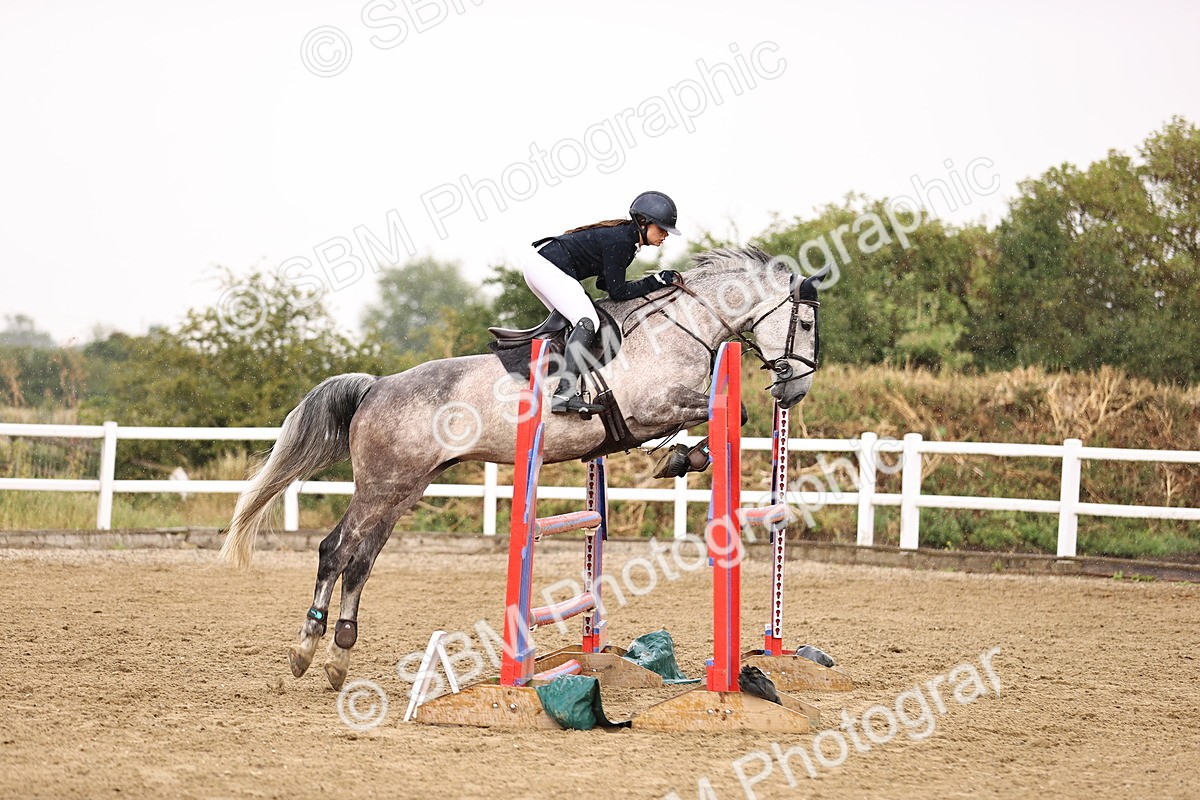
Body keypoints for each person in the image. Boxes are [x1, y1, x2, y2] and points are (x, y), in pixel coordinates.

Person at [524, 190, 681, 414]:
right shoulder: (622, 241)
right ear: (644, 222)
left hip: (540, 266)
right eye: (662, 228)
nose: (665, 235)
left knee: (575, 324)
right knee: (587, 321)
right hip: (547, 267)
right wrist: (656, 281)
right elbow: (618, 292)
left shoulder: (625, 239)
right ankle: (564, 393)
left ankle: (556, 382)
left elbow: (604, 284)